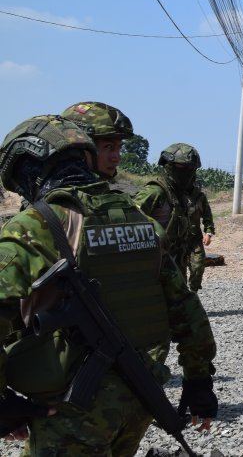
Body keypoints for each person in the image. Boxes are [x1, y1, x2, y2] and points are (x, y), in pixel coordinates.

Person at [0, 115, 218, 453]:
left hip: (70, 408)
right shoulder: (139, 220)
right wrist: (199, 378)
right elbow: (183, 306)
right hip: (138, 396)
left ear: (30, 169)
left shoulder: (34, 226)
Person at [134, 143, 215, 291]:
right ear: (168, 165)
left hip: (177, 259)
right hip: (155, 263)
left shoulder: (184, 194)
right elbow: (130, 222)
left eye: (190, 169)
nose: (186, 173)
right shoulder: (155, 192)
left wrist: (207, 232)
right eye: (181, 167)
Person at [60, 101, 134, 182]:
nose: (116, 159)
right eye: (108, 146)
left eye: (119, 148)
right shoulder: (62, 186)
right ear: (79, 148)